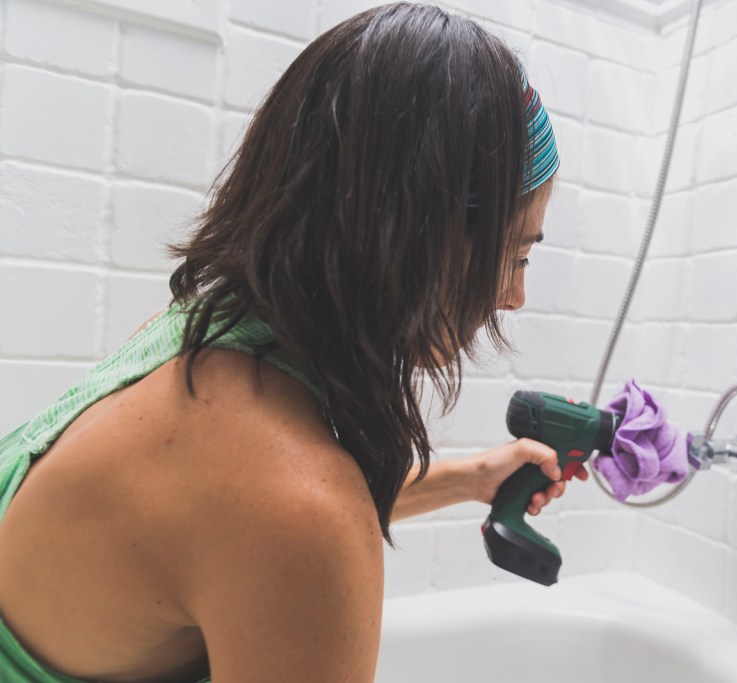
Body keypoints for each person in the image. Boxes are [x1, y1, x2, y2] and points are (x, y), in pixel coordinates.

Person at [0, 4, 583, 681]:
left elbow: (235, 522)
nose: (512, 296)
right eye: (514, 255)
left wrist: (469, 477)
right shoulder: (299, 511)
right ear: (413, 236)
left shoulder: (199, 333)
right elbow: (288, 514)